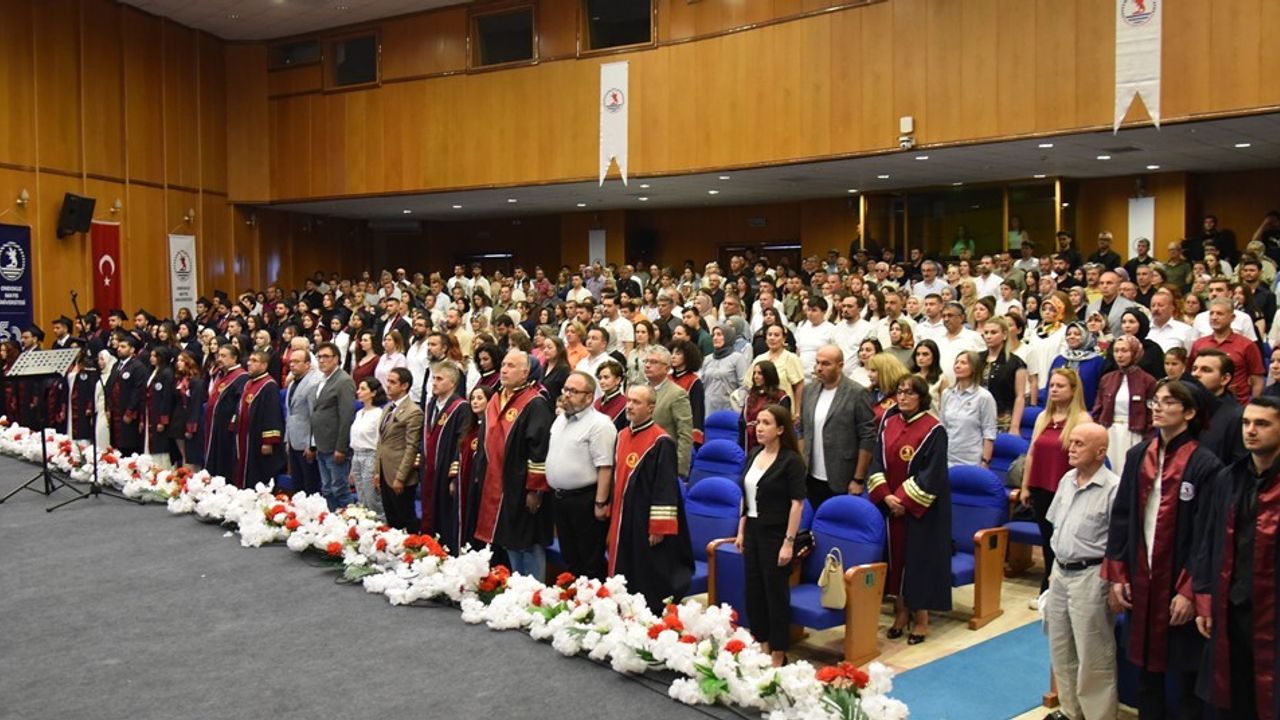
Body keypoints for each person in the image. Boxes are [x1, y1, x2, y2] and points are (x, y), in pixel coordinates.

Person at [1104, 379, 1220, 720]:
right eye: (1156, 401)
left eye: (1169, 402)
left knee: (1185, 676)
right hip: (1143, 576)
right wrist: (1117, 575)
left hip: (1178, 581)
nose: (1157, 407)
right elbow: (1122, 517)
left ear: (1190, 413)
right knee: (1145, 673)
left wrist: (1189, 591)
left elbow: (1207, 535)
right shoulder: (1139, 455)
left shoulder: (1205, 464)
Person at [1192, 395, 1280, 720]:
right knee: (1232, 696)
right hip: (1230, 608)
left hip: (1273, 612)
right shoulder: (1228, 478)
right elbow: (1208, 539)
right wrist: (1204, 596)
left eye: (1262, 424)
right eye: (1246, 423)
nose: (1251, 430)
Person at [867, 374, 952, 644]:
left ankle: (921, 620)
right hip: (891, 508)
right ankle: (901, 613)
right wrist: (886, 496)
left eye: (909, 392)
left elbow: (932, 474)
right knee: (896, 561)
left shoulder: (933, 429)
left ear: (921, 397)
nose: (902, 397)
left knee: (918, 562)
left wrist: (903, 500)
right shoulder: (889, 423)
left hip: (921, 511)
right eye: (900, 391)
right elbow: (876, 462)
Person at [1044, 422, 1121, 720]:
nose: (1071, 449)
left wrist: (1114, 583)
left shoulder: (1113, 489)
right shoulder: (1067, 479)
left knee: (1093, 653)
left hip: (1091, 575)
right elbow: (1056, 524)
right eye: (1071, 442)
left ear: (1100, 453)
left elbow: (1119, 544)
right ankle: (1070, 711)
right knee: (1061, 647)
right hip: (1060, 571)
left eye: (1079, 444)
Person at [606, 385, 694, 612]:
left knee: (642, 571)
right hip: (622, 515)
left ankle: (642, 616)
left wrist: (659, 526)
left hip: (643, 518)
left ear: (651, 408)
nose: (629, 406)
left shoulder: (661, 441)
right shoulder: (622, 436)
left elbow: (666, 487)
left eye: (636, 402)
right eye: (629, 401)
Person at [734, 403, 806, 666]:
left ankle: (778, 653)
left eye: (766, 423)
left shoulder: (791, 461)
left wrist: (788, 542)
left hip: (776, 534)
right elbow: (746, 496)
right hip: (752, 531)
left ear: (781, 429)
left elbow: (797, 504)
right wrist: (741, 530)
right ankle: (763, 645)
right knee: (753, 593)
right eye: (758, 423)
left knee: (775, 595)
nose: (759, 428)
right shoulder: (754, 454)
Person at [473, 350, 553, 579]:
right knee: (508, 539)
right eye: (503, 365)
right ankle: (518, 586)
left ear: (525, 373)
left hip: (520, 485)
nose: (504, 370)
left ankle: (533, 588)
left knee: (527, 542)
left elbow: (539, 450)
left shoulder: (534, 403)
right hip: (496, 483)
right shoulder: (496, 399)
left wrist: (535, 490)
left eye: (511, 366)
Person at [1021, 368, 1093, 597]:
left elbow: (1086, 459)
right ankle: (1048, 589)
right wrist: (1025, 486)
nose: (1053, 389)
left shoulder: (1082, 419)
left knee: (1063, 541)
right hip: (1041, 486)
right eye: (1052, 385)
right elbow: (1031, 454)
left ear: (1073, 390)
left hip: (1068, 490)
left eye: (1060, 386)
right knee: (1047, 540)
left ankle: (1056, 589)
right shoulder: (1043, 417)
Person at [546, 371, 617, 580]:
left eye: (574, 391)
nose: (567, 395)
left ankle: (594, 598)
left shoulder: (600, 424)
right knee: (570, 556)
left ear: (588, 397)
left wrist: (600, 503)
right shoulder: (560, 420)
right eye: (566, 389)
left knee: (590, 559)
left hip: (585, 500)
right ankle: (574, 597)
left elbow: (605, 466)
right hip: (560, 497)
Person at [799, 345, 875, 509]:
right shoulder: (809, 391)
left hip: (843, 477)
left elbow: (867, 437)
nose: (819, 368)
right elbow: (802, 430)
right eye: (817, 362)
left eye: (826, 364)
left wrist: (858, 478)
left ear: (840, 366)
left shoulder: (857, 393)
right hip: (811, 476)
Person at [1092, 334, 1156, 476]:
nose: (1119, 355)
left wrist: (1147, 441)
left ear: (1135, 352)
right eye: (1116, 351)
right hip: (1109, 432)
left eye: (1124, 351)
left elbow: (1151, 415)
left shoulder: (1148, 381)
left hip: (1134, 434)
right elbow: (1098, 409)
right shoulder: (1107, 379)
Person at [421, 362, 468, 543]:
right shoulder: (431, 405)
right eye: (433, 378)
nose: (434, 382)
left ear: (452, 383)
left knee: (444, 516)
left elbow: (461, 444)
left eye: (439, 379)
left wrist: (453, 476)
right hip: (429, 470)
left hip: (445, 471)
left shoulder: (461, 408)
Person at [373, 367, 424, 531]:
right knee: (391, 518)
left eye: (393, 382)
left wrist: (401, 477)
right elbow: (381, 442)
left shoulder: (413, 412)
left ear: (404, 386)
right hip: (385, 472)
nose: (387, 385)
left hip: (400, 474)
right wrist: (377, 471)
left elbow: (411, 448)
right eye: (388, 381)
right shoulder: (388, 407)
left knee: (406, 518)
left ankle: (412, 545)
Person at [1190, 298, 1265, 404]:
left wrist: (1253, 406)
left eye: (1219, 314)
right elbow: (1191, 374)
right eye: (1211, 313)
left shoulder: (1247, 345)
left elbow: (1257, 380)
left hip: (1238, 404)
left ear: (1232, 318)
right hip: (1203, 404)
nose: (1214, 317)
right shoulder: (1199, 344)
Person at [230, 350, 285, 489]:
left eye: (254, 361)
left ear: (264, 365)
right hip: (243, 435)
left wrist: (268, 441)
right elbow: (240, 407)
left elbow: (272, 414)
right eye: (249, 360)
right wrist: (233, 424)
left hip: (257, 439)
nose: (249, 363)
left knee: (256, 472)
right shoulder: (249, 384)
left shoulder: (269, 385)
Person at [311, 342, 356, 510]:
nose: (322, 360)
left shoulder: (343, 381)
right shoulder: (323, 380)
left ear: (336, 359)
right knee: (327, 489)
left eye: (326, 357)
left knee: (339, 489)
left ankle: (349, 520)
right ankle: (332, 520)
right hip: (321, 443)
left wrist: (341, 447)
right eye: (319, 357)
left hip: (335, 445)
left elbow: (346, 416)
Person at [1191, 348, 1249, 467]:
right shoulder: (1184, 407)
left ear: (1225, 379)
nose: (1195, 374)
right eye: (1194, 369)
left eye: (1206, 370)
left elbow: (1239, 465)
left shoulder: (1237, 416)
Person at [939, 351, 997, 468]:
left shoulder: (984, 397)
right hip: (947, 458)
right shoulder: (947, 393)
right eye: (956, 362)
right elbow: (943, 426)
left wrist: (985, 461)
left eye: (963, 363)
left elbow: (989, 432)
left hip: (972, 461)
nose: (958, 366)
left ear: (974, 367)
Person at [644, 345, 694, 477]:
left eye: (653, 362)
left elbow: (685, 434)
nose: (647, 365)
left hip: (663, 462)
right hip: (640, 459)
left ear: (666, 368)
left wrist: (679, 471)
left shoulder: (677, 394)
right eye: (646, 361)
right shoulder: (640, 390)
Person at [201, 344, 248, 478]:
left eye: (223, 356)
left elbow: (239, 404)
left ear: (234, 358)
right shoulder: (221, 374)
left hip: (227, 427)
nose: (219, 359)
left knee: (224, 460)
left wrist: (233, 422)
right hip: (214, 424)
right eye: (218, 356)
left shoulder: (241, 377)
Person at [284, 348, 323, 496]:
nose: (292, 365)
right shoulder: (292, 383)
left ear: (307, 364)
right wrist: (287, 439)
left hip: (306, 442)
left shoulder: (313, 383)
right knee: (297, 485)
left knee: (310, 485)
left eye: (296, 362)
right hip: (293, 439)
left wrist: (312, 444)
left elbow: (315, 415)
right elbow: (291, 413)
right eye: (291, 362)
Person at [980, 317, 1027, 432]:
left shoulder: (1016, 363)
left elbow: (1020, 396)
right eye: (986, 333)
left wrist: (1014, 426)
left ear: (1005, 335)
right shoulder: (977, 359)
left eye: (993, 332)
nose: (988, 336)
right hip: (977, 417)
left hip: (1002, 420)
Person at [1045, 321, 1105, 409]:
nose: (1071, 337)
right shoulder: (1059, 359)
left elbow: (1101, 390)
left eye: (1077, 334)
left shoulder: (1097, 361)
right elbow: (1049, 387)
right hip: (1058, 410)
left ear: (1086, 336)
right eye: (1068, 334)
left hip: (1086, 410)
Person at [105, 335, 148, 456]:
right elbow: (109, 386)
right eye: (119, 346)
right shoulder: (116, 365)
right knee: (116, 445)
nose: (119, 349)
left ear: (132, 349)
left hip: (129, 412)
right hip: (115, 411)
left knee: (129, 444)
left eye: (123, 347)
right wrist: (107, 407)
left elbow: (138, 391)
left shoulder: (138, 367)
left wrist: (130, 411)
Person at [350, 377, 386, 518]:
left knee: (372, 498)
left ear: (373, 393)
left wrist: (377, 469)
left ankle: (380, 523)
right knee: (361, 496)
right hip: (356, 455)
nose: (358, 392)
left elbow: (380, 442)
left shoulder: (378, 414)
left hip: (370, 456)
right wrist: (352, 468)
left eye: (363, 389)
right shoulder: (359, 413)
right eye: (358, 388)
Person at [743, 361, 790, 452]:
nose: (756, 376)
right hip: (750, 442)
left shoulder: (781, 397)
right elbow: (742, 423)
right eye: (754, 373)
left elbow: (785, 427)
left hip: (772, 445)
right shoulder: (750, 397)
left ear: (769, 375)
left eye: (760, 373)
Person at [142, 346, 177, 469]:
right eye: (151, 356)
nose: (151, 358)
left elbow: (167, 397)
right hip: (150, 411)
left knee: (160, 443)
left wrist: (163, 420)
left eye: (155, 356)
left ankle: (162, 469)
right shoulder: (153, 371)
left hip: (160, 412)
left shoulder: (167, 373)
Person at [702, 325, 747, 415]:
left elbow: (744, 385)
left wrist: (739, 406)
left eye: (719, 334)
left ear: (728, 337)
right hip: (708, 409)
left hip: (729, 409)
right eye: (713, 335)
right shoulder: (707, 359)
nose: (715, 338)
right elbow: (703, 384)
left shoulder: (737, 358)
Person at [171, 350, 206, 468]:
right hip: (178, 420)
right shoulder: (179, 379)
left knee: (190, 454)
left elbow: (196, 405)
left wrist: (191, 427)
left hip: (189, 419)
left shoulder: (196, 381)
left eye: (182, 360)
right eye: (178, 360)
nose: (178, 363)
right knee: (182, 453)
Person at [668, 340, 705, 446]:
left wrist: (696, 438)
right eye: (672, 353)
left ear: (688, 357)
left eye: (678, 354)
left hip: (684, 432)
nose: (673, 356)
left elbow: (697, 411)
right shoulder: (666, 378)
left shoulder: (694, 381)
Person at [593, 360, 628, 431]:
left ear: (618, 380)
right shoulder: (597, 402)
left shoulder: (625, 404)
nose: (601, 381)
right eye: (600, 378)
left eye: (606, 377)